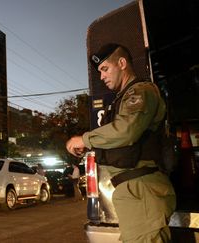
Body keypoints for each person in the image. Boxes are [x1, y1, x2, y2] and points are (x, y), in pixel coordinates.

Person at [66, 43, 176, 242]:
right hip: (134, 190)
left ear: (122, 63)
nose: (101, 76)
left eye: (105, 69)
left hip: (141, 188)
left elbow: (127, 130)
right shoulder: (122, 98)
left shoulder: (141, 91)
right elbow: (121, 141)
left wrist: (84, 139)